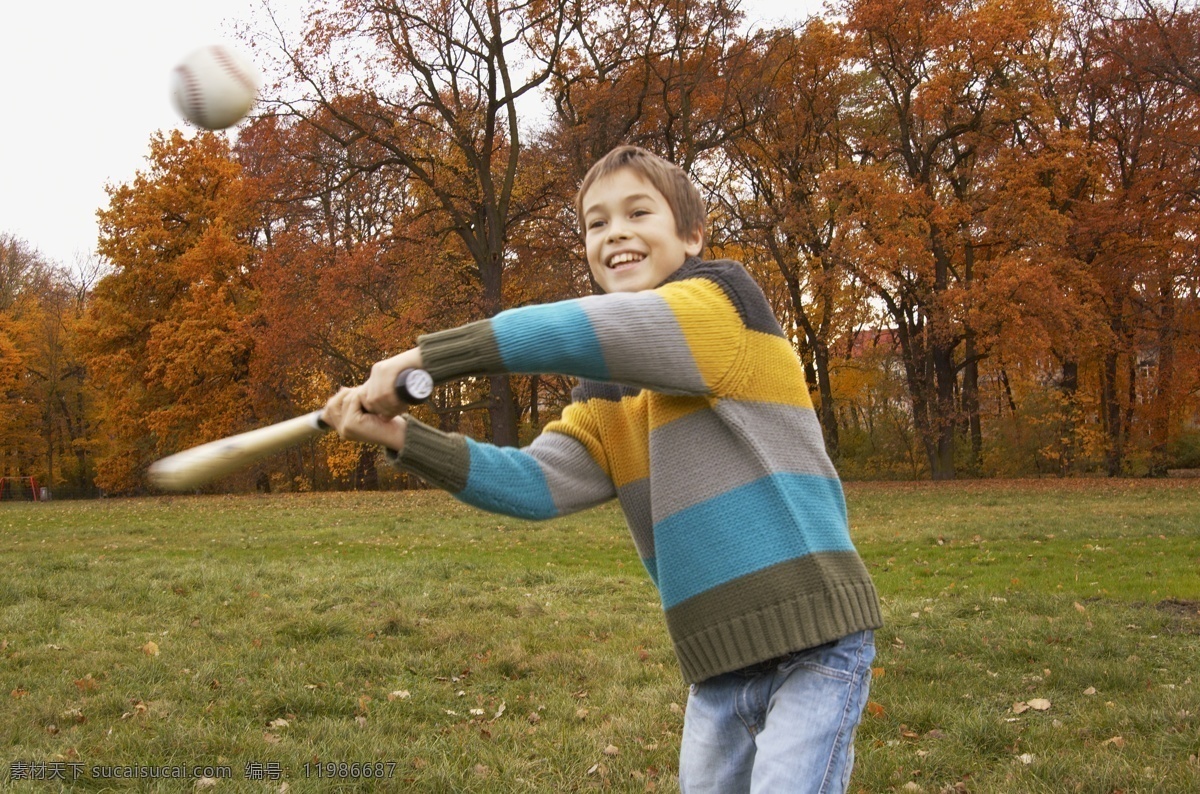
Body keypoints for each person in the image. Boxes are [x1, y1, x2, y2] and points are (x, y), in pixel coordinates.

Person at [322, 145, 883, 793]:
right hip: (718, 667)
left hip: (815, 646)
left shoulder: (722, 304)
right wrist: (399, 434)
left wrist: (429, 358)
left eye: (638, 211)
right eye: (595, 222)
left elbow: (598, 328)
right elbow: (534, 483)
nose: (614, 230)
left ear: (692, 234)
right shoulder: (606, 392)